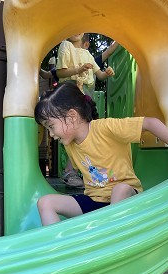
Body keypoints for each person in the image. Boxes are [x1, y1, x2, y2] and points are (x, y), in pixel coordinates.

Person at [34, 81, 168, 226]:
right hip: (95, 202)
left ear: (71, 117)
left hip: (126, 198)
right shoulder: (70, 144)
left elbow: (150, 123)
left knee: (119, 189)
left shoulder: (106, 128)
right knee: (45, 202)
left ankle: (109, 235)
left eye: (51, 126)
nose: (51, 134)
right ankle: (59, 245)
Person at [53, 33, 116, 188]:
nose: (77, 30)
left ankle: (77, 170)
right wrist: (78, 70)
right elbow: (60, 72)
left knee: (86, 132)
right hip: (71, 91)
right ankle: (70, 171)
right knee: (74, 130)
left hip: (86, 94)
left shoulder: (87, 54)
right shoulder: (66, 45)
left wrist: (106, 73)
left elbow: (99, 75)